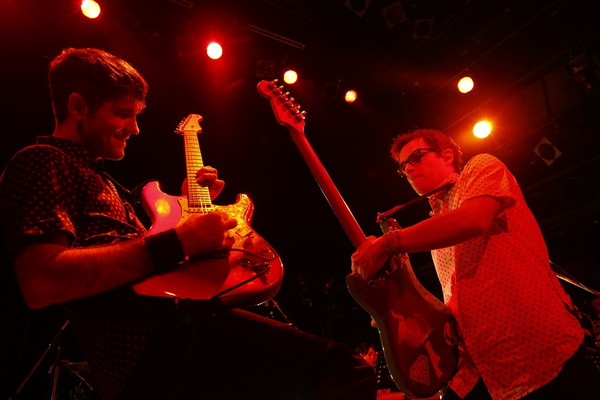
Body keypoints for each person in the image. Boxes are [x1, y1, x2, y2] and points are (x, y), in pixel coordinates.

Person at [0, 48, 377, 400]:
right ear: (78, 107)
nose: (135, 128)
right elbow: (40, 281)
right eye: (122, 113)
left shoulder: (103, 181)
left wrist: (186, 208)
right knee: (346, 369)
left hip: (172, 335)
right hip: (151, 347)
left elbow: (138, 259)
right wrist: (179, 241)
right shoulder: (42, 160)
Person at [351, 129, 599, 399]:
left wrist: (388, 243)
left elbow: (474, 220)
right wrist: (399, 314)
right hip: (478, 365)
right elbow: (456, 302)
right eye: (402, 167)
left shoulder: (482, 166)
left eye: (416, 157)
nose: (408, 168)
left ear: (447, 156)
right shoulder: (438, 222)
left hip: (540, 349)